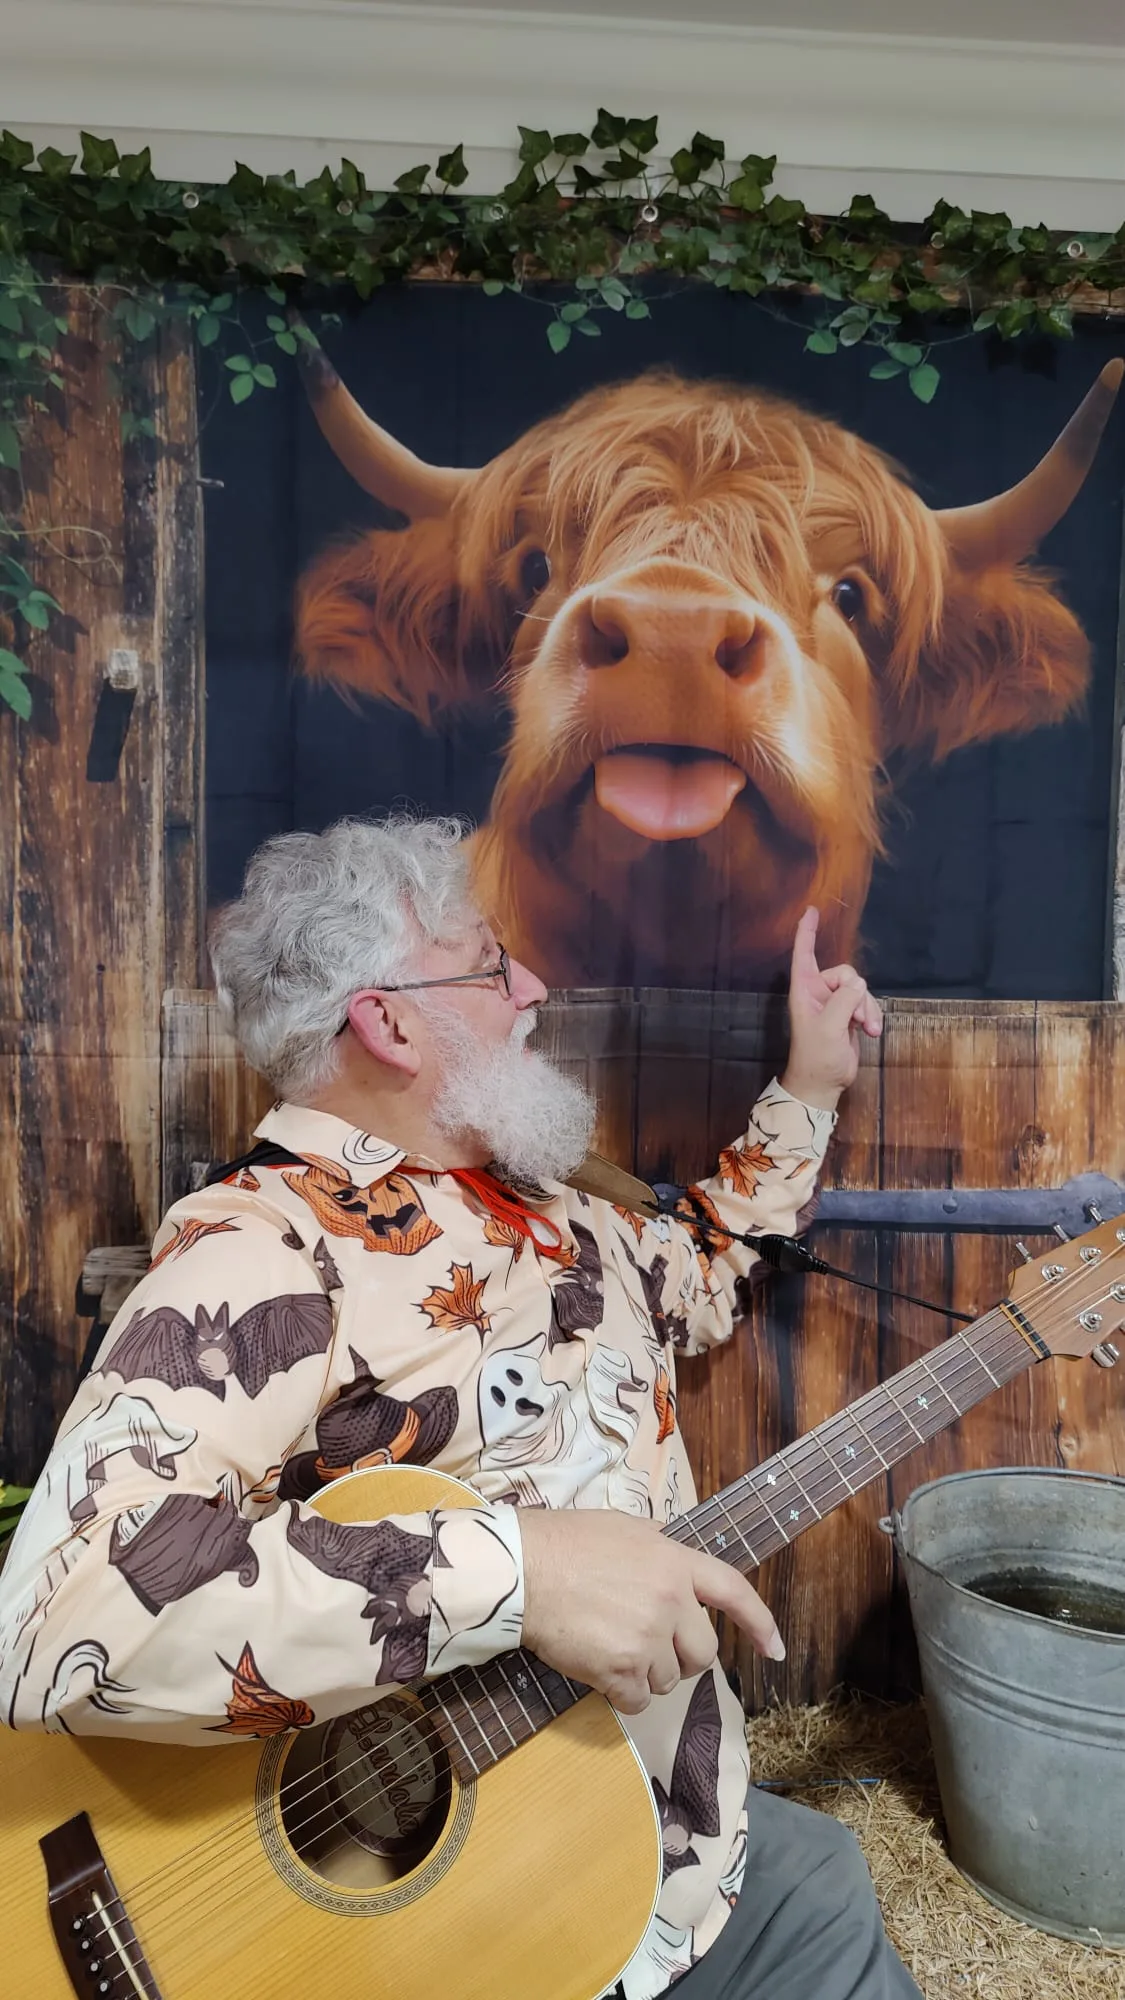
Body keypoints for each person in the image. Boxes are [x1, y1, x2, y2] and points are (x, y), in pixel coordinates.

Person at [0, 815, 917, 2000]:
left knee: (827, 1879)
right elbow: (57, 1627)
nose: (531, 987)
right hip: (444, 1925)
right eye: (490, 966)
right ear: (387, 1023)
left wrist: (810, 1085)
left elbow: (698, 1273)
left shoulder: (552, 1200)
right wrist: (525, 1571)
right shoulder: (260, 1252)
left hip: (667, 1834)